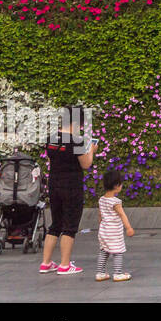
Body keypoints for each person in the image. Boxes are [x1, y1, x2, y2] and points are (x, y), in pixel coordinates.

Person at [39, 107, 96, 276]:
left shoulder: (51, 139)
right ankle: (64, 265)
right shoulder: (76, 140)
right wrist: (91, 151)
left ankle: (46, 263)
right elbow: (85, 164)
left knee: (55, 224)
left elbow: (51, 160)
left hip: (54, 183)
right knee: (70, 225)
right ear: (75, 122)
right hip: (71, 185)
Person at [95, 168, 134, 282]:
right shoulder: (116, 202)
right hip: (114, 232)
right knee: (118, 252)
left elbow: (100, 215)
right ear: (116, 186)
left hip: (103, 231)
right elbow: (122, 215)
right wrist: (129, 228)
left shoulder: (102, 200)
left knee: (104, 251)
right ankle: (117, 273)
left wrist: (101, 226)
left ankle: (100, 273)